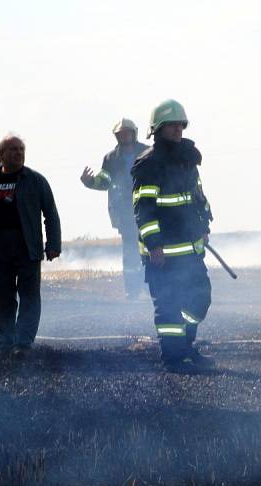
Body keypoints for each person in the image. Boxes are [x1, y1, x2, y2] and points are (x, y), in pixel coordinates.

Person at [131, 99, 214, 372]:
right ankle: (174, 359)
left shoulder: (187, 158)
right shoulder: (149, 164)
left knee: (200, 299)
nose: (178, 129)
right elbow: (144, 209)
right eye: (172, 125)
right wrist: (154, 245)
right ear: (158, 129)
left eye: (181, 124)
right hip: (163, 254)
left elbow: (198, 196)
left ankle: (186, 346)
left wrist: (204, 224)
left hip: (191, 249)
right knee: (168, 307)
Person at [0, 134, 61, 358]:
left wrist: (53, 243)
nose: (18, 153)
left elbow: (51, 214)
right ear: (0, 156)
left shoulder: (36, 180)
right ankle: (6, 337)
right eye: (12, 150)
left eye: (21, 149)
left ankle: (23, 342)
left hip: (27, 246)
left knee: (29, 295)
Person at [80, 119, 148, 299]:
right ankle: (132, 291)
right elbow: (104, 182)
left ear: (134, 133)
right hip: (125, 212)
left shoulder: (148, 152)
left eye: (127, 132)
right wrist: (89, 182)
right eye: (121, 133)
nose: (124, 136)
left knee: (151, 247)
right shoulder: (110, 158)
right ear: (117, 136)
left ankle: (152, 288)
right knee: (131, 254)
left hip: (148, 208)